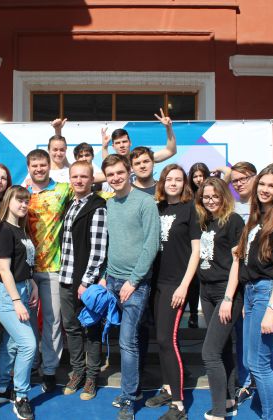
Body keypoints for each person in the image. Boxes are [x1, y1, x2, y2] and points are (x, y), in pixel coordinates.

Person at [232, 163, 273, 420]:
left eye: (272, 185)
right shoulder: (257, 218)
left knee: (258, 364)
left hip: (267, 294)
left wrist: (271, 309)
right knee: (253, 362)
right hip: (252, 294)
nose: (265, 189)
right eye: (262, 184)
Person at [102, 154, 160, 420]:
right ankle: (133, 391)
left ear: (129, 172)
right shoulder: (110, 203)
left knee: (128, 342)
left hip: (135, 284)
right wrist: (106, 275)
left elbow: (151, 245)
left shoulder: (145, 202)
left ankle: (127, 399)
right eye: (110, 174)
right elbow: (113, 242)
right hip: (112, 280)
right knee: (124, 340)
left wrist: (133, 280)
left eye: (119, 172)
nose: (115, 178)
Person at [145, 164, 200, 420]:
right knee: (161, 339)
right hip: (156, 282)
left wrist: (184, 285)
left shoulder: (190, 209)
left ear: (184, 183)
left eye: (178, 179)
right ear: (163, 182)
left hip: (175, 284)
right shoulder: (157, 208)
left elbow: (196, 252)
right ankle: (168, 389)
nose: (173, 183)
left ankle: (179, 405)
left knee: (168, 340)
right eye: (169, 179)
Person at [195, 178, 245, 420]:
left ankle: (218, 413)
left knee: (209, 353)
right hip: (206, 291)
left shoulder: (234, 221)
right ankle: (228, 400)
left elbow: (237, 261)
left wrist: (228, 298)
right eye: (206, 197)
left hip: (226, 292)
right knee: (222, 348)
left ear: (224, 196)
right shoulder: (204, 222)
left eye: (215, 196)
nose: (211, 200)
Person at [59, 161, 107, 400]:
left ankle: (91, 377)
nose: (79, 180)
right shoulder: (70, 205)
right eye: (75, 176)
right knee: (71, 328)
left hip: (84, 282)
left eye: (84, 176)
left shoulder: (97, 207)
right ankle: (77, 372)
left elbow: (98, 251)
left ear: (92, 180)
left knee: (91, 329)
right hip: (65, 278)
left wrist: (86, 282)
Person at [25, 149, 73, 392]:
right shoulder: (22, 194)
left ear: (49, 165)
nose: (39, 169)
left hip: (54, 268)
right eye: (34, 165)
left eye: (42, 164)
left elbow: (89, 183)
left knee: (53, 321)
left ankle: (50, 369)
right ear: (28, 167)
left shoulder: (64, 189)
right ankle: (31, 363)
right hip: (25, 270)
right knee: (27, 321)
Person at [0, 186, 38, 420]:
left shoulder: (20, 229)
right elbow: (3, 269)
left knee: (12, 343)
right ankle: (21, 396)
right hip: (8, 295)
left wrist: (32, 282)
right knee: (28, 344)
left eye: (26, 201)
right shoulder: (3, 230)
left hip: (23, 288)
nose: (23, 204)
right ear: (8, 201)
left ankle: (0, 388)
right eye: (19, 200)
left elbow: (23, 262)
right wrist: (17, 301)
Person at [228, 161, 256, 403]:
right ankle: (245, 381)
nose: (239, 183)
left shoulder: (266, 206)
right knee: (241, 332)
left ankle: (262, 380)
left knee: (261, 335)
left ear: (254, 177)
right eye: (235, 180)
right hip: (239, 277)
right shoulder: (232, 208)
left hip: (262, 279)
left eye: (243, 178)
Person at [101, 108, 177, 163]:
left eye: (124, 141)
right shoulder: (113, 164)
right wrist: (104, 147)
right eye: (118, 143)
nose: (121, 145)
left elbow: (170, 151)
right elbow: (106, 165)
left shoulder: (142, 158)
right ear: (113, 146)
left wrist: (168, 128)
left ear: (130, 143)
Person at [187, 162, 212, 328]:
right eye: (195, 176)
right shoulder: (188, 194)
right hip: (192, 241)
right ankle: (193, 314)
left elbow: (228, 174)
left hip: (209, 239)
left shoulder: (212, 191)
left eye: (201, 175)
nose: (198, 179)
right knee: (194, 280)